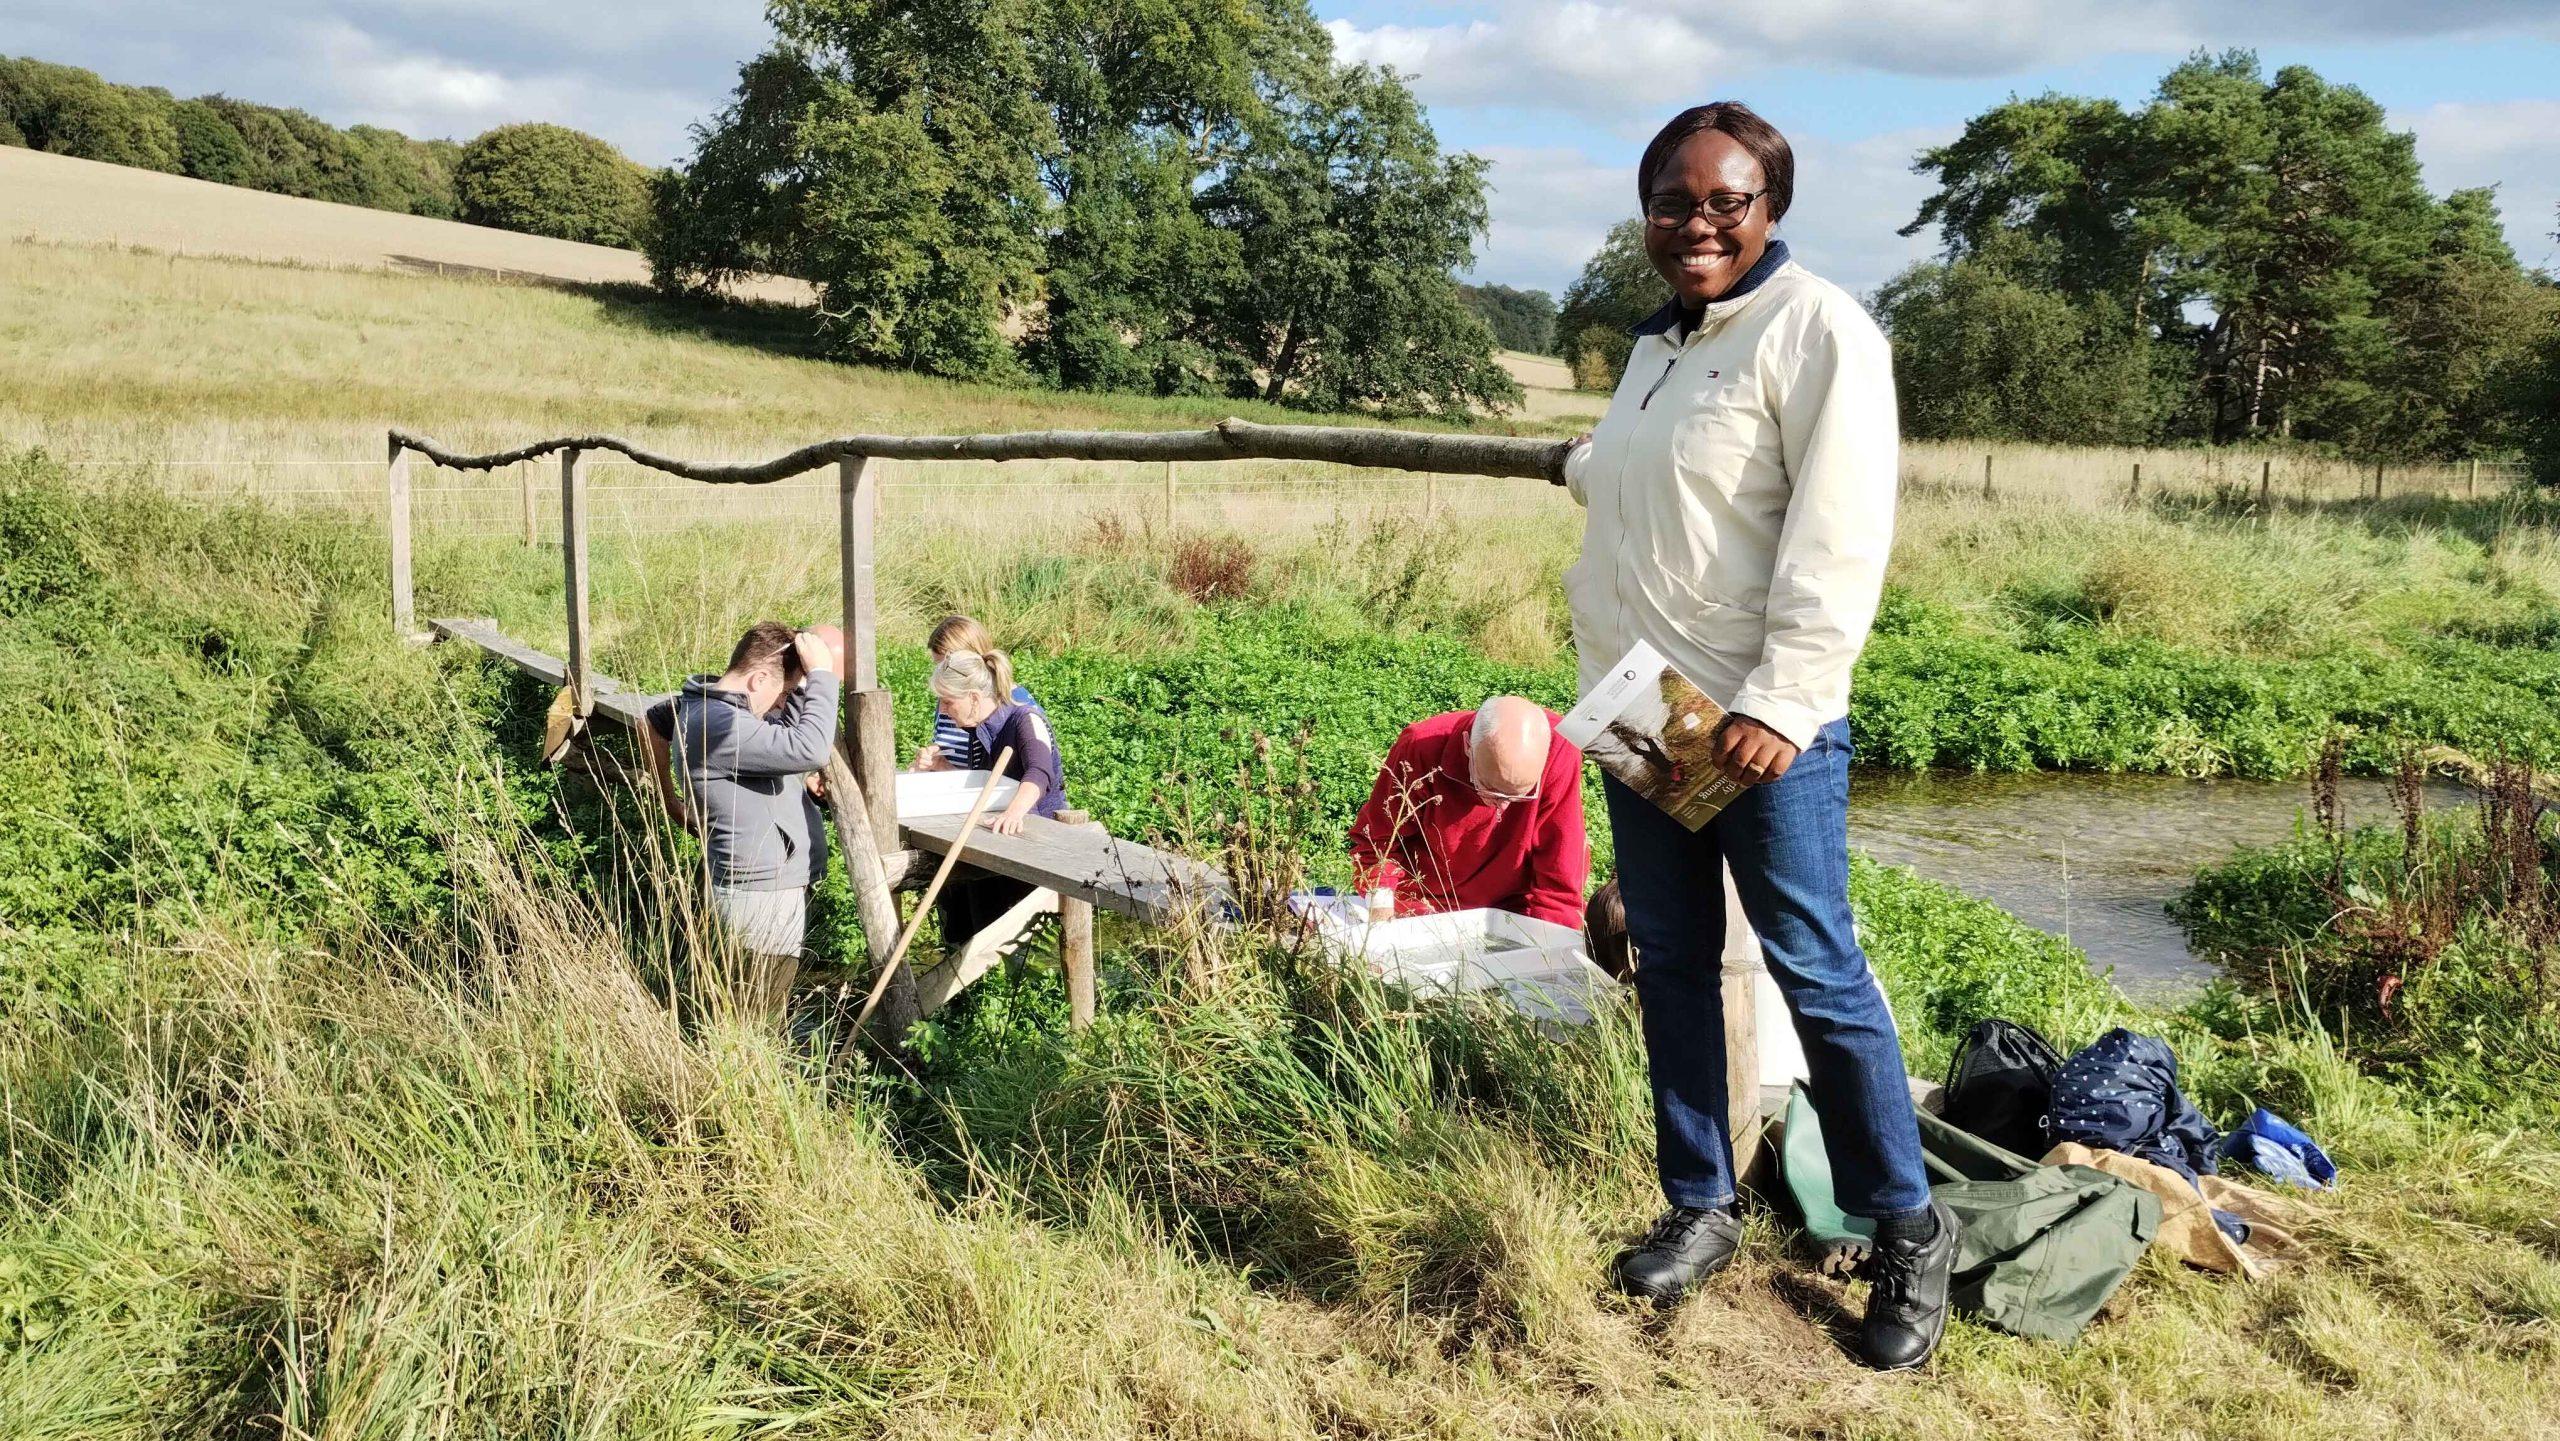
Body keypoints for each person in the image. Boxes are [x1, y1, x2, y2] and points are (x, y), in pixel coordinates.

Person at [1560, 100, 1957, 1370]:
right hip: (1643, 710)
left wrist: (1786, 699)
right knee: (1668, 958)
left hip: (1749, 726)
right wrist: (1587, 461)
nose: (1697, 224)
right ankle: (1700, 1203)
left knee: (1815, 970)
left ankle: (1904, 1227)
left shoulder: (1818, 330)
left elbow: (1840, 532)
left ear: (1769, 207)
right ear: (1647, 214)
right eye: (1673, 201)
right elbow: (1650, 475)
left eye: (1725, 201)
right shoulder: (1659, 346)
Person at [639, 621, 839, 1018]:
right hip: (758, 898)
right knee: (757, 1019)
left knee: (753, 1008)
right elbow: (809, 748)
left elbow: (783, 737)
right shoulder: (720, 725)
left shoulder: (713, 709)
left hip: (760, 890)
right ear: (758, 678)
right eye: (780, 693)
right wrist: (822, 677)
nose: (779, 704)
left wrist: (799, 688)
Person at [1346, 697, 1588, 931]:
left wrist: (1546, 950)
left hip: (1512, 912)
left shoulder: (1561, 748)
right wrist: (1380, 925)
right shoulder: (1420, 747)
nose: (1502, 807)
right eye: (1490, 790)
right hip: (1424, 908)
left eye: (1518, 797)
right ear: (1467, 746)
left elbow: (1561, 871)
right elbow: (1377, 844)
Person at [916, 646, 1068, 941]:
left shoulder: (1025, 719)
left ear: (973, 698)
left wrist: (1013, 813)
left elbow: (1039, 772)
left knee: (1023, 942)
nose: (944, 710)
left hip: (1035, 848)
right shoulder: (980, 728)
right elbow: (988, 781)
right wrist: (942, 768)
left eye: (948, 702)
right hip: (994, 843)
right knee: (975, 931)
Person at [914, 614, 1047, 772]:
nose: (943, 674)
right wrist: (935, 762)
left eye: (947, 666)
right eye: (938, 666)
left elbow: (1035, 773)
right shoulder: (949, 701)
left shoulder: (1014, 705)